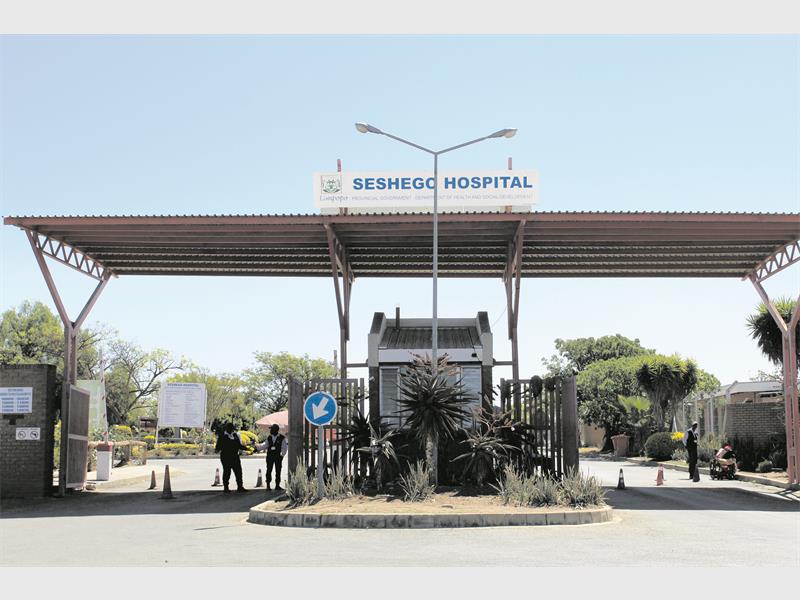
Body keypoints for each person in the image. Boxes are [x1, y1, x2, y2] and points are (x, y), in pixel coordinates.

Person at [214, 422, 250, 493]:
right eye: (230, 428)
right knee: (227, 472)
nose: (231, 430)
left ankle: (240, 487)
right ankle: (226, 487)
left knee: (238, 472)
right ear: (227, 429)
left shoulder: (235, 435)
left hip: (235, 456)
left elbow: (239, 445)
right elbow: (218, 447)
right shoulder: (222, 436)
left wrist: (246, 448)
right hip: (226, 457)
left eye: (232, 428)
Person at [255, 424, 288, 490]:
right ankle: (268, 485)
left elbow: (284, 448)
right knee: (269, 470)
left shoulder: (282, 438)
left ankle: (277, 485)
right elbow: (264, 445)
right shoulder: (269, 437)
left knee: (278, 471)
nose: (270, 430)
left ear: (276, 430)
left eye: (272, 429)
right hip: (270, 457)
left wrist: (281, 456)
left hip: (278, 457)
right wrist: (257, 448)